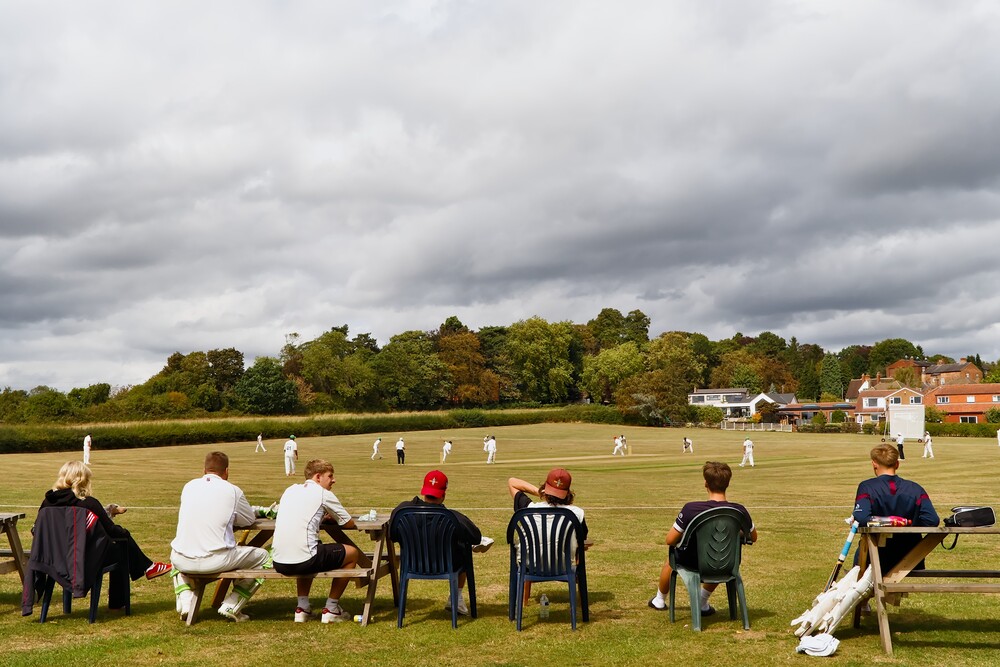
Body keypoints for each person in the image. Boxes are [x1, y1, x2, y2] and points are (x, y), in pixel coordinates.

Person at [40, 461, 172, 611]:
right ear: (83, 481)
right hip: (83, 560)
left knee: (118, 545)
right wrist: (125, 533)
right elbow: (111, 530)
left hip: (55, 559)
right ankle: (128, 589)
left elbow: (37, 530)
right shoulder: (87, 503)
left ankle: (148, 567)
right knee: (121, 546)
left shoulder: (47, 503)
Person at [170, 451, 271, 621]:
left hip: (182, 560)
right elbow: (248, 519)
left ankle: (186, 600)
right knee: (264, 557)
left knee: (177, 552)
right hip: (216, 560)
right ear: (226, 471)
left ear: (204, 470)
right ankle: (232, 603)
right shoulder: (232, 490)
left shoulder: (188, 486)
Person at [648, 461, 757, 613]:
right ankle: (702, 601)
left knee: (670, 559)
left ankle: (659, 600)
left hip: (690, 563)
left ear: (706, 483)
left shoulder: (691, 508)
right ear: (728, 483)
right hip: (726, 564)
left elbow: (670, 540)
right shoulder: (739, 510)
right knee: (720, 553)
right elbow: (753, 537)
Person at [272, 459, 360, 623]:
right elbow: (348, 522)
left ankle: (302, 607)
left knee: (309, 547)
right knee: (353, 553)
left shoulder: (290, 490)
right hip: (305, 560)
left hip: (278, 560)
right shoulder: (323, 494)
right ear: (318, 477)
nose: (333, 480)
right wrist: (331, 518)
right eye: (330, 476)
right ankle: (331, 609)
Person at [390, 470, 483, 615]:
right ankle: (455, 598)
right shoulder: (453, 517)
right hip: (446, 565)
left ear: (423, 491)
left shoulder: (402, 510)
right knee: (464, 552)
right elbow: (476, 537)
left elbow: (393, 535)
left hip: (411, 564)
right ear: (443, 495)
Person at [853, 444, 938, 574]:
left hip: (875, 557)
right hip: (911, 556)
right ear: (897, 464)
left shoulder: (867, 487)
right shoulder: (915, 488)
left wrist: (890, 521)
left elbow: (862, 518)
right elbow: (932, 520)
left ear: (874, 464)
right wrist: (908, 523)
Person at [507, 468, 587, 600]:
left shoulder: (528, 509)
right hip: (564, 566)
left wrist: (540, 492)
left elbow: (512, 482)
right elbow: (582, 539)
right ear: (568, 492)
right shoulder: (577, 513)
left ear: (545, 488)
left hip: (530, 565)